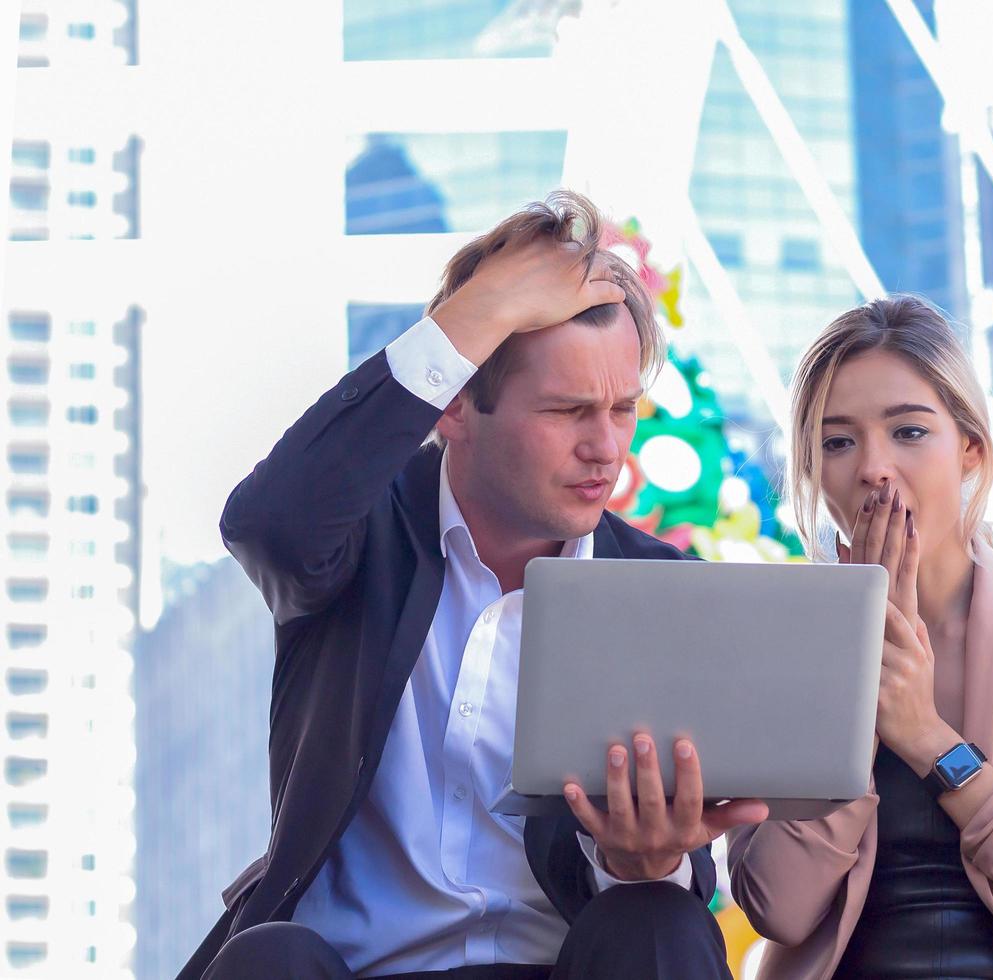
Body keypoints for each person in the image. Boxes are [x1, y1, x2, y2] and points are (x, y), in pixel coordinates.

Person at [179, 191, 767, 980]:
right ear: (455, 403)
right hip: (347, 968)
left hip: (562, 966)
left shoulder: (661, 590)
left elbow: (666, 894)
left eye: (622, 409)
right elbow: (270, 527)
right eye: (566, 410)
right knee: (267, 961)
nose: (607, 451)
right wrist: (476, 312)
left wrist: (644, 862)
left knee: (660, 920)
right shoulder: (358, 537)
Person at [728, 294, 993, 979]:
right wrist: (856, 680)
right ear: (813, 471)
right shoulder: (777, 641)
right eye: (837, 442)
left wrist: (928, 739)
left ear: (969, 448)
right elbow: (777, 906)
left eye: (908, 432)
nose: (873, 467)